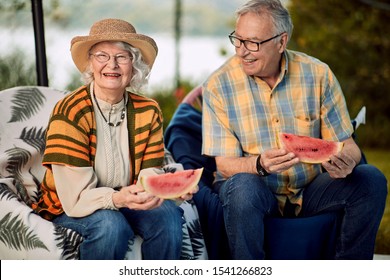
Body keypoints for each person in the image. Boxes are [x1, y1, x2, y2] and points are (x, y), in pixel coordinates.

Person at [201, 0, 387, 260]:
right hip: (256, 190)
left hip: (310, 188)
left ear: (281, 41)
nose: (242, 51)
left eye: (253, 42)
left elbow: (347, 144)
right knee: (242, 187)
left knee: (371, 180)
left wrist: (347, 160)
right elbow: (224, 164)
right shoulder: (218, 86)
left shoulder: (318, 75)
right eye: (238, 40)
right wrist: (259, 164)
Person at [32, 18, 195, 260]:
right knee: (111, 226)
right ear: (90, 63)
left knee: (169, 217)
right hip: (72, 203)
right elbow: (74, 198)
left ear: (134, 65)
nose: (112, 65)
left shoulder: (148, 110)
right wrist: (116, 198)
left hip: (128, 195)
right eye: (102, 56)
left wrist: (162, 189)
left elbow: (149, 171)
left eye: (122, 57)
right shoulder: (71, 112)